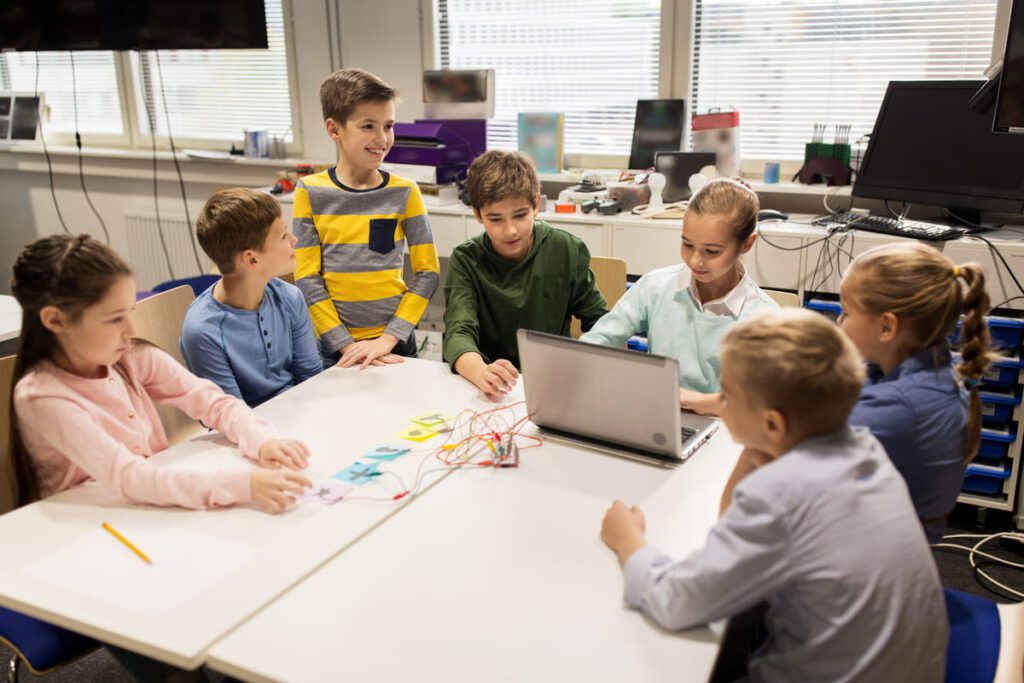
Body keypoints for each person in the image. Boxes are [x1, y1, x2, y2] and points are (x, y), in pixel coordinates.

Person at [601, 308, 947, 682]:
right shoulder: (864, 448)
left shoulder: (780, 494)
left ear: (773, 423)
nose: (720, 404)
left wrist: (628, 540)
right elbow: (731, 523)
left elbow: (676, 601)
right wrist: (757, 447)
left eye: (727, 397)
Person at [10, 234, 312, 514]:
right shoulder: (41, 396)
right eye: (115, 319)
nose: (130, 330)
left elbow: (211, 401)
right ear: (55, 320)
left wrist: (261, 440)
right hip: (88, 527)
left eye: (130, 312)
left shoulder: (129, 355)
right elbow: (130, 477)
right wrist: (242, 484)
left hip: (151, 507)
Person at [580, 178, 777, 415]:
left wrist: (691, 400)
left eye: (712, 251)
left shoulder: (766, 319)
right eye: (687, 244)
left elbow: (767, 404)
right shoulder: (657, 286)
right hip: (659, 417)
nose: (695, 260)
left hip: (729, 431)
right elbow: (597, 342)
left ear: (746, 244)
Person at [841, 242, 992, 543]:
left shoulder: (899, 407)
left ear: (887, 327)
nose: (839, 323)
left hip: (870, 559)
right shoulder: (932, 364)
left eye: (845, 313)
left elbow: (790, 472)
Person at [294, 68, 439, 369]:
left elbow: (428, 273)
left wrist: (388, 339)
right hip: (336, 348)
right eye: (368, 126)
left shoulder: (405, 192)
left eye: (388, 125)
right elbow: (307, 277)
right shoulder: (310, 192)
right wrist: (347, 346)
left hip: (396, 343)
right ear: (334, 130)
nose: (382, 139)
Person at [442, 150, 607, 399]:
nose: (510, 231)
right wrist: (481, 373)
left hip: (553, 386)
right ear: (477, 215)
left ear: (536, 205)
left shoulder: (567, 249)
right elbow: (458, 334)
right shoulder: (466, 260)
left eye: (520, 215)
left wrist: (580, 370)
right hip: (489, 391)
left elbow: (600, 324)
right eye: (495, 219)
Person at [181, 188, 322, 407]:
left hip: (298, 413)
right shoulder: (202, 330)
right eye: (284, 236)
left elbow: (311, 378)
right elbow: (231, 415)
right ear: (252, 259)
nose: (294, 240)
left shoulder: (290, 297)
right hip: (245, 430)